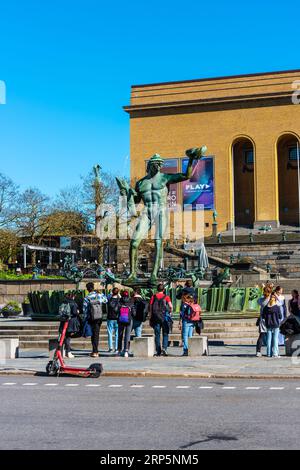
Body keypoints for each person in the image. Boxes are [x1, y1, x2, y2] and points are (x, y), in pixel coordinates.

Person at [83, 282, 107, 358]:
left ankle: (95, 351)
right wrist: (101, 294)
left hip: (91, 318)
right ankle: (95, 351)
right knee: (96, 334)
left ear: (87, 289)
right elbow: (106, 301)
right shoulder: (99, 295)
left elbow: (84, 310)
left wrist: (84, 318)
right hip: (99, 317)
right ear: (93, 287)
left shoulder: (87, 297)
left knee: (93, 335)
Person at [149, 283, 173, 357]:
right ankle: (164, 349)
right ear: (163, 290)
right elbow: (171, 306)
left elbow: (150, 308)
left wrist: (150, 317)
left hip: (156, 318)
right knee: (165, 333)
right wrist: (170, 313)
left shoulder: (153, 296)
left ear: (157, 289)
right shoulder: (166, 297)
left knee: (157, 335)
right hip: (164, 318)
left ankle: (158, 351)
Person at [59, 292, 81, 359]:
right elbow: (74, 313)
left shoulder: (64, 302)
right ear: (72, 296)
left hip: (63, 321)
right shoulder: (73, 303)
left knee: (64, 337)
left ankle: (63, 352)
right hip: (70, 322)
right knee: (68, 337)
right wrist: (78, 312)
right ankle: (68, 352)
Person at [262, 293, 282, 358]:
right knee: (275, 338)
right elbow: (280, 316)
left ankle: (268, 353)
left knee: (269, 339)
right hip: (276, 324)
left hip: (268, 324)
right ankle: (275, 353)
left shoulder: (266, 307)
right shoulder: (277, 307)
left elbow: (263, 316)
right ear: (275, 300)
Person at [256, 284, 272, 357]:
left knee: (261, 336)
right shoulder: (271, 299)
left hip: (263, 319)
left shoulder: (261, 300)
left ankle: (258, 351)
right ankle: (270, 351)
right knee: (271, 335)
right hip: (271, 319)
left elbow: (258, 300)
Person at [117, 290, 133, 357]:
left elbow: (115, 309)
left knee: (120, 335)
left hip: (121, 319)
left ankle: (119, 350)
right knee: (127, 335)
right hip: (129, 319)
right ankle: (126, 350)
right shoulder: (131, 301)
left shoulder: (119, 301)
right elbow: (134, 311)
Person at [106, 287, 120, 353]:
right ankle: (117, 348)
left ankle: (111, 348)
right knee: (117, 333)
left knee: (110, 333)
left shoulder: (109, 298)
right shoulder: (119, 300)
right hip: (117, 318)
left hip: (110, 317)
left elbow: (107, 297)